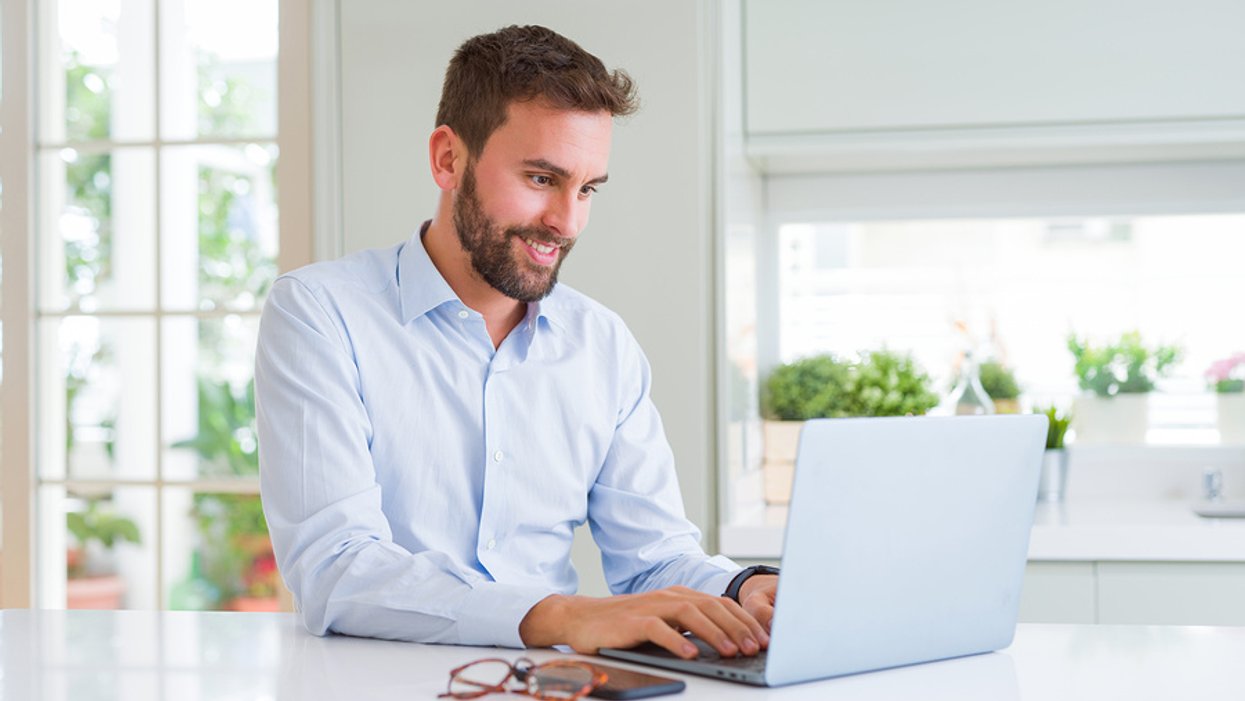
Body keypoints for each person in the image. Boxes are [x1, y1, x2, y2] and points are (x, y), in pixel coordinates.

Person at [256, 24, 777, 660]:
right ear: (448, 159)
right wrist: (560, 616)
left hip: (555, 687)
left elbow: (654, 558)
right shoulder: (321, 314)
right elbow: (335, 567)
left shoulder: (602, 345)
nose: (566, 221)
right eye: (540, 178)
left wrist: (743, 587)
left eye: (587, 189)